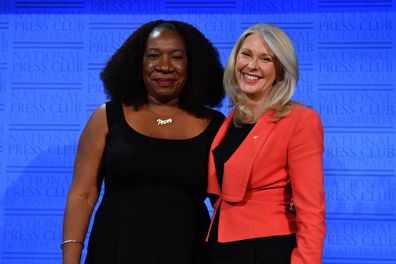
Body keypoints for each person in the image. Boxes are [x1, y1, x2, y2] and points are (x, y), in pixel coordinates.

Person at [61, 20, 225, 264]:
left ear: (194, 65)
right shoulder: (107, 117)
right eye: (154, 55)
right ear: (137, 63)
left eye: (177, 57)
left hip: (188, 253)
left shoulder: (215, 124)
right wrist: (70, 260)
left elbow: (226, 201)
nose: (165, 66)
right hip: (115, 250)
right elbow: (82, 195)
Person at [206, 23, 326, 264]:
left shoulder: (300, 120)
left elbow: (312, 212)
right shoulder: (229, 121)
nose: (252, 65)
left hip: (268, 250)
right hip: (220, 247)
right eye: (246, 54)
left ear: (280, 71)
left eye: (266, 59)